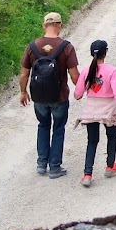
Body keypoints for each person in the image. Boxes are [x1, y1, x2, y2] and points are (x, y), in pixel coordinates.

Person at [20, 12, 80, 178]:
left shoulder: (32, 46)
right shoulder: (66, 47)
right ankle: (54, 167)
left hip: (39, 97)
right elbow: (75, 76)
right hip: (59, 97)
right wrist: (82, 90)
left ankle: (41, 164)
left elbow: (24, 74)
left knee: (43, 126)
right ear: (60, 25)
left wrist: (23, 92)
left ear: (44, 25)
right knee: (58, 129)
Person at [74, 39, 116, 187]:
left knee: (92, 141)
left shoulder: (86, 71)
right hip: (109, 110)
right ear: (105, 52)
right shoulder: (112, 71)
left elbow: (78, 94)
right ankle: (110, 166)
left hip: (91, 110)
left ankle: (87, 174)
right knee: (111, 136)